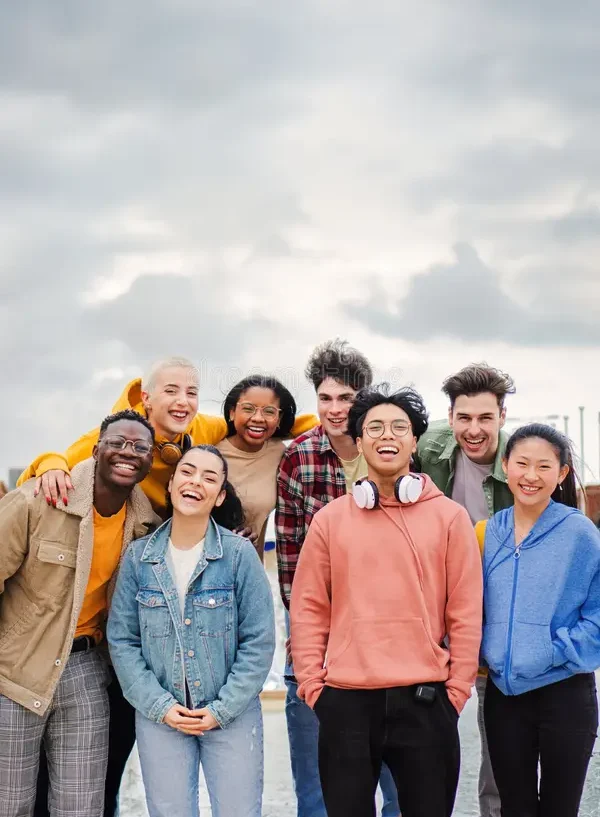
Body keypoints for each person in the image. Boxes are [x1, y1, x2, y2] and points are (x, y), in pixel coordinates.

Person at [18, 356, 313, 817]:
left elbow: (258, 641)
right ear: (146, 396)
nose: (183, 401)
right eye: (171, 391)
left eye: (192, 392)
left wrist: (344, 422)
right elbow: (60, 461)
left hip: (143, 656)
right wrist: (48, 463)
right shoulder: (114, 438)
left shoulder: (203, 436)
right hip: (70, 640)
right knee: (59, 784)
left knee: (94, 779)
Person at [290, 384, 483, 817]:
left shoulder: (449, 517)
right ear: (358, 442)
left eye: (399, 427)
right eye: (374, 427)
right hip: (344, 703)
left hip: (427, 702)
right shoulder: (329, 520)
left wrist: (456, 691)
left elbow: (466, 612)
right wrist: (313, 686)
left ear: (415, 440)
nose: (386, 435)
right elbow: (308, 609)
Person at [0, 410, 156, 817]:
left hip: (86, 669)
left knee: (81, 806)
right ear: (96, 449)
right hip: (15, 671)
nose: (129, 452)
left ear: (151, 460)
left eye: (140, 447)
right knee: (10, 803)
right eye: (118, 443)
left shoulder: (145, 525)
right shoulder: (38, 500)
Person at [107, 445, 275, 817]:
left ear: (219, 498)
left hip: (231, 715)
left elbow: (259, 642)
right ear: (170, 484)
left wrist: (222, 708)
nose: (195, 482)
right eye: (187, 472)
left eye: (209, 478)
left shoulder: (238, 555)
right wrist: (161, 707)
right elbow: (122, 641)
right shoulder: (138, 558)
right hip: (161, 718)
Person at [276, 340, 400, 817]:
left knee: (399, 777)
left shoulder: (394, 453)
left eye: (345, 399)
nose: (333, 409)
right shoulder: (299, 458)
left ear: (363, 399)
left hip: (389, 627)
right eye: (325, 398)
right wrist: (311, 636)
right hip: (320, 625)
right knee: (319, 782)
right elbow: (290, 561)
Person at [478, 424, 600, 817]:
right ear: (506, 466)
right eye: (522, 464)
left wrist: (554, 651)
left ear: (561, 474)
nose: (531, 476)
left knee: (559, 810)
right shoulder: (488, 533)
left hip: (564, 693)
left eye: (544, 466)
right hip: (504, 697)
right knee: (514, 808)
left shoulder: (579, 532)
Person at [415, 362, 515, 817]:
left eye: (485, 418)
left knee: (499, 728)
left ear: (502, 415)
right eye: (464, 418)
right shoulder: (430, 446)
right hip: (438, 604)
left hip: (500, 604)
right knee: (426, 725)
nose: (473, 430)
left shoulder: (523, 460)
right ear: (450, 416)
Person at [217, 374, 297, 561]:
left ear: (279, 418)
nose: (258, 418)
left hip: (252, 568)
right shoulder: (211, 453)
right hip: (207, 570)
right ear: (231, 412)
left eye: (269, 411)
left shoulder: (281, 454)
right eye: (248, 409)